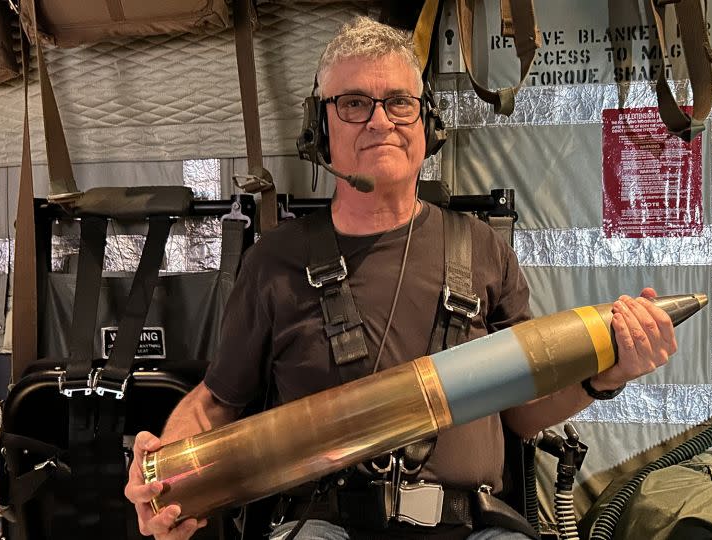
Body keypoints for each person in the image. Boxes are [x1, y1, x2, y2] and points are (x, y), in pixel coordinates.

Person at [124, 16, 677, 540]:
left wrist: (605, 376)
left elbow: (522, 412)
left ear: (426, 121)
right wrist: (165, 480)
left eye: (398, 103)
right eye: (355, 104)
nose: (380, 121)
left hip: (472, 526)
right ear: (321, 126)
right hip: (326, 524)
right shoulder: (274, 261)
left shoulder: (483, 250)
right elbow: (215, 403)